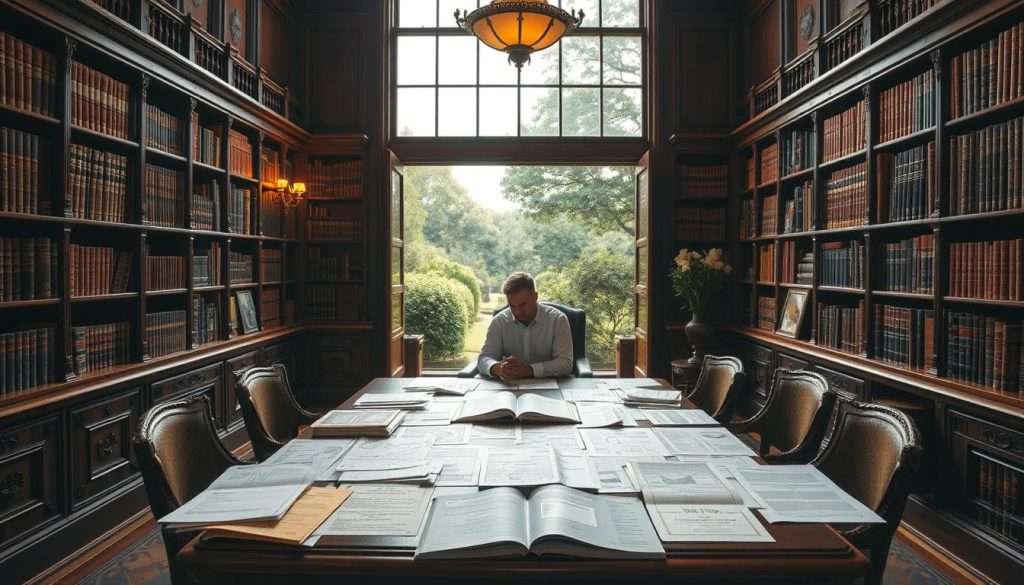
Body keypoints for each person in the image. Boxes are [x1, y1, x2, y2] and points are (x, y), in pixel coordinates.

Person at [478, 272, 573, 380]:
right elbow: (484, 358)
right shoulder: (499, 322)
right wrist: (497, 368)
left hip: (547, 386)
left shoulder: (558, 320)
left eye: (523, 304)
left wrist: (530, 370)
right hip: (509, 388)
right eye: (512, 306)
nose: (518, 312)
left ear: (535, 296)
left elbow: (565, 363)